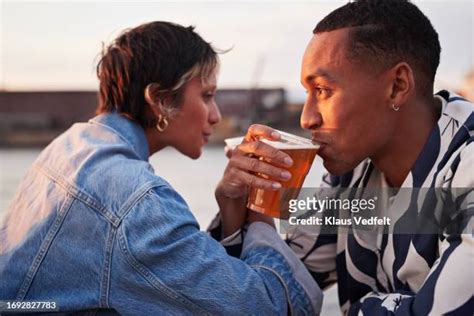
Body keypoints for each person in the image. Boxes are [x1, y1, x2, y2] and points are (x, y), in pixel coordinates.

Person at [0, 21, 322, 314]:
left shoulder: (71, 146)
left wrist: (232, 211)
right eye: (207, 96)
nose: (216, 115)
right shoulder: (137, 202)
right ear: (160, 100)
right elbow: (268, 307)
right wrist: (261, 212)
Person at [214, 0, 473, 315]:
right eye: (306, 93)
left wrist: (359, 308)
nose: (306, 119)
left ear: (397, 86)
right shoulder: (354, 170)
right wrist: (246, 207)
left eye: (322, 90)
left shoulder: (467, 170)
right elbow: (273, 292)